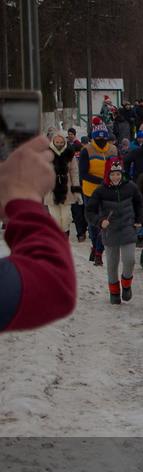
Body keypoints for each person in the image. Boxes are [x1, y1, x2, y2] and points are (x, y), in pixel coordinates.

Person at [0, 135, 76, 332]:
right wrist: (23, 198)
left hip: (63, 193)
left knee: (64, 218)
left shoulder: (69, 154)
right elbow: (53, 285)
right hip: (50, 196)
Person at [85, 158, 143, 304]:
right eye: (112, 174)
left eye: (118, 174)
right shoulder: (100, 191)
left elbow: (139, 204)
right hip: (110, 231)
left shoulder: (131, 187)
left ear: (122, 173)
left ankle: (126, 284)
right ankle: (114, 292)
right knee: (112, 264)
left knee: (129, 260)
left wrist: (140, 220)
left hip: (127, 228)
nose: (116, 177)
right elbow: (89, 211)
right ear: (107, 175)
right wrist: (100, 221)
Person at [77, 123, 120, 266]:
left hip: (108, 192)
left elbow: (119, 168)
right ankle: (95, 245)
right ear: (93, 139)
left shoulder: (113, 150)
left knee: (104, 222)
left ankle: (98, 252)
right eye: (98, 139)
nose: (101, 142)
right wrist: (101, 181)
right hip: (90, 191)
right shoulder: (87, 151)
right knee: (93, 223)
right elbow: (83, 173)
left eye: (103, 139)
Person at [45, 131, 80, 237]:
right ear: (53, 141)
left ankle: (64, 235)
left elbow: (74, 172)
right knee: (55, 218)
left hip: (67, 190)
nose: (59, 143)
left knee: (66, 217)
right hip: (51, 190)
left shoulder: (70, 154)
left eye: (61, 142)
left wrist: (77, 191)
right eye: (57, 141)